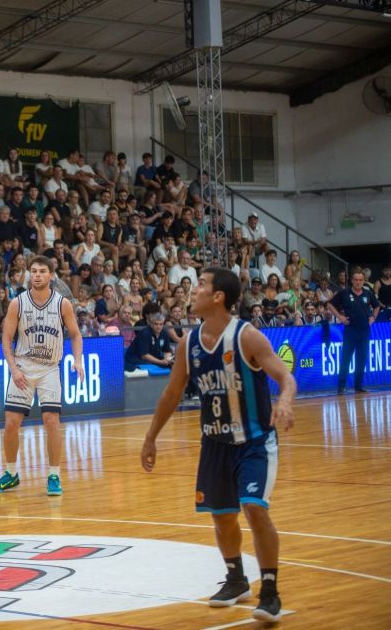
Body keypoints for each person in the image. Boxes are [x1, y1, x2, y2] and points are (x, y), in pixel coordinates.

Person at [141, 267, 296, 623]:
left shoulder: (247, 337)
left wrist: (285, 401)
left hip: (254, 441)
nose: (193, 290)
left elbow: (286, 377)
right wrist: (150, 437)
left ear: (218, 296)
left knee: (254, 508)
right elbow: (172, 393)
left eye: (200, 284)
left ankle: (269, 591)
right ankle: (236, 579)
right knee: (222, 516)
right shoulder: (189, 343)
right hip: (214, 444)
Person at [0, 256, 84, 496]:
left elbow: (75, 335)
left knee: (52, 420)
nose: (37, 275)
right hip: (24, 367)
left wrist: (78, 360)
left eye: (42, 271)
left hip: (50, 368)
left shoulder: (62, 304)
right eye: (34, 271)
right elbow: (6, 340)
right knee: (11, 423)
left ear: (50, 275)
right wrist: (14, 369)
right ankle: (11, 474)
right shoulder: (17, 303)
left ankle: (54, 475)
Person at [328, 269, 378, 394]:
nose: (358, 282)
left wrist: (373, 318)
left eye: (360, 280)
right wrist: (340, 317)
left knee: (361, 359)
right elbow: (330, 305)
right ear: (351, 280)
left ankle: (358, 386)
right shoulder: (344, 293)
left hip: (364, 331)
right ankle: (341, 387)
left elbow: (376, 306)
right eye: (356, 280)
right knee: (346, 359)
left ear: (364, 281)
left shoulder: (368, 293)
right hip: (350, 331)